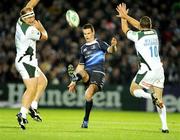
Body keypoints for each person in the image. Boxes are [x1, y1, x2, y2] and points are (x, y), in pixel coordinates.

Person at [116, 3, 169, 133]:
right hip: (159, 71)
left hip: (147, 71)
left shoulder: (138, 36)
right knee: (160, 100)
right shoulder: (154, 33)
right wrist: (127, 15)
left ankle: (150, 97)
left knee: (133, 89)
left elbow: (125, 29)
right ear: (150, 26)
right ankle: (165, 127)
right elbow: (139, 25)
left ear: (141, 26)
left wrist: (123, 17)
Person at [67, 23, 117, 128]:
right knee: (82, 72)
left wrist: (113, 46)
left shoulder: (99, 43)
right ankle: (75, 79)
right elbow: (80, 66)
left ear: (93, 32)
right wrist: (72, 81)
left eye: (89, 33)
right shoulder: (83, 48)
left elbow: (111, 51)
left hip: (99, 73)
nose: (87, 35)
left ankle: (85, 121)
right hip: (88, 73)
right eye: (85, 34)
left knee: (88, 95)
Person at [15, 1, 48, 129]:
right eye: (28, 18)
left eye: (32, 16)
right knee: (31, 88)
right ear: (24, 18)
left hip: (29, 61)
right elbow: (45, 37)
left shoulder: (20, 21)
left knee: (43, 81)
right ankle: (22, 114)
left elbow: (30, 5)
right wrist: (41, 27)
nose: (31, 19)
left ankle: (32, 108)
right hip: (25, 62)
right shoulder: (30, 31)